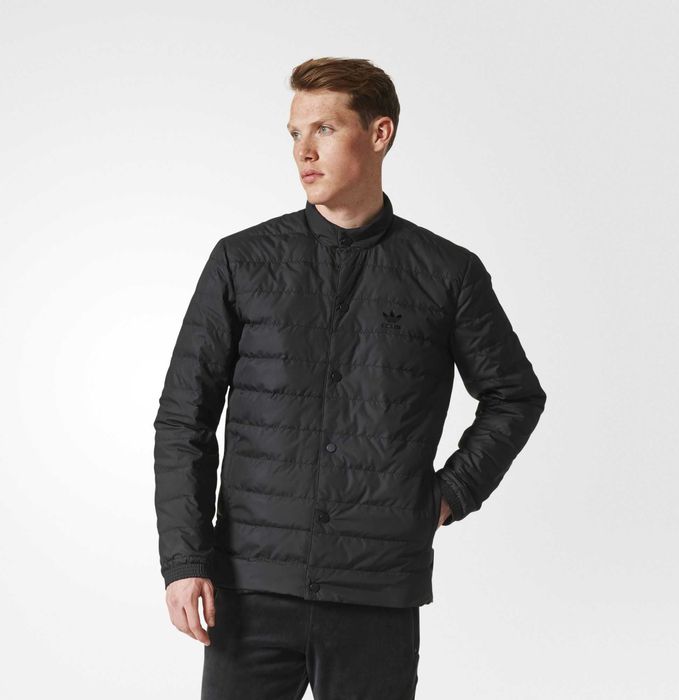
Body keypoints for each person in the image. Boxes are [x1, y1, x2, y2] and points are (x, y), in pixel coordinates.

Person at [153, 56, 546, 700]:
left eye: (325, 129)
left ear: (380, 133)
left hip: (376, 592)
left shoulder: (447, 273)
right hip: (250, 588)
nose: (303, 151)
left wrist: (447, 495)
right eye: (294, 134)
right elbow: (183, 420)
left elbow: (515, 396)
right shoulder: (242, 261)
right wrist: (185, 560)